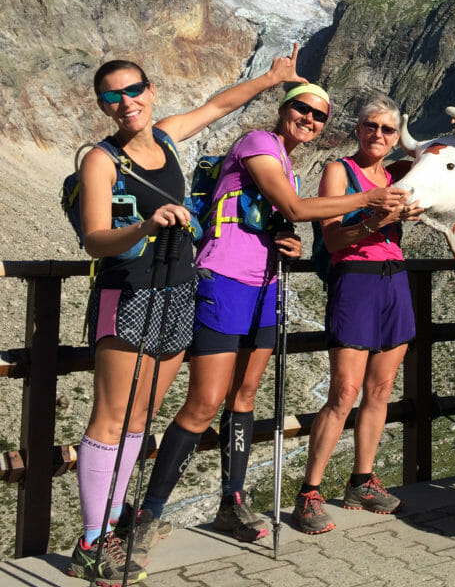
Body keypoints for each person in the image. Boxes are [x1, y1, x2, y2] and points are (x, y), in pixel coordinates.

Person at [70, 46, 307, 585]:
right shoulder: (102, 160)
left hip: (177, 290)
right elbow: (94, 238)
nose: (125, 101)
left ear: (150, 91)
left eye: (134, 90)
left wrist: (272, 79)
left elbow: (220, 104)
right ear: (103, 105)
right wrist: (145, 228)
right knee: (110, 419)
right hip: (128, 292)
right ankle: (90, 539)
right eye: (113, 95)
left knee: (138, 420)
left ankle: (111, 525)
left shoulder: (167, 139)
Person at [137, 82, 408, 549]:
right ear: (283, 110)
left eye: (318, 115)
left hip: (265, 285)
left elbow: (283, 217)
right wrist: (367, 202)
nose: (309, 119)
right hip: (224, 278)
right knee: (204, 403)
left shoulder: (288, 163)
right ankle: (149, 513)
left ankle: (232, 501)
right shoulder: (259, 143)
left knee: (245, 397)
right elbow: (296, 208)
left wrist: (296, 244)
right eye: (301, 109)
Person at [293, 95, 423, 534]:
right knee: (345, 390)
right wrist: (375, 219)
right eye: (372, 126)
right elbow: (332, 240)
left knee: (381, 387)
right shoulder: (339, 171)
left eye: (388, 130)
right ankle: (309, 492)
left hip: (394, 277)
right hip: (356, 278)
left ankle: (361, 481)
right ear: (358, 129)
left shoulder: (395, 175)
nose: (379, 135)